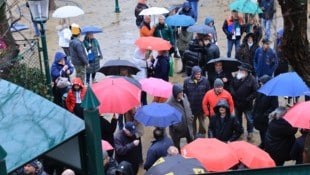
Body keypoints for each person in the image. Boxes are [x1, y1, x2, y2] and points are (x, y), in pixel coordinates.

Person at [230, 63, 258, 140]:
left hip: (246, 104)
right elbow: (231, 86)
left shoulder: (252, 80)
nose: (240, 71)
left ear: (247, 72)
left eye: (242, 70)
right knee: (237, 118)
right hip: (237, 103)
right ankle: (240, 130)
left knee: (249, 119)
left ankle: (250, 132)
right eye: (240, 69)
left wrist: (247, 99)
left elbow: (256, 92)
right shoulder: (236, 76)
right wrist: (233, 94)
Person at [252, 75, 278, 148]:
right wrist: (254, 112)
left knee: (266, 133)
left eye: (262, 83)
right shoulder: (260, 90)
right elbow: (256, 103)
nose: (261, 84)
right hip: (259, 116)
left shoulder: (273, 94)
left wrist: (265, 115)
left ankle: (266, 146)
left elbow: (274, 107)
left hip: (266, 119)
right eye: (260, 83)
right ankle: (263, 143)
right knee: (261, 131)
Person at [183, 66, 210, 136]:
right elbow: (184, 94)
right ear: (193, 74)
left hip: (202, 108)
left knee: (202, 124)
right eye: (197, 74)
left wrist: (207, 106)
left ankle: (202, 136)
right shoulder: (186, 81)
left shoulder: (205, 81)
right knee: (192, 125)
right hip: (191, 108)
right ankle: (193, 136)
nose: (199, 75)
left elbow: (208, 93)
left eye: (200, 74)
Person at [167, 83, 194, 150]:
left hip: (188, 126)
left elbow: (188, 107)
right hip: (176, 130)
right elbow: (169, 117)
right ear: (175, 93)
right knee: (176, 147)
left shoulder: (185, 97)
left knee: (191, 143)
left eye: (182, 91)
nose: (182, 93)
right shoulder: (170, 103)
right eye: (180, 92)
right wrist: (176, 125)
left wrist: (191, 117)